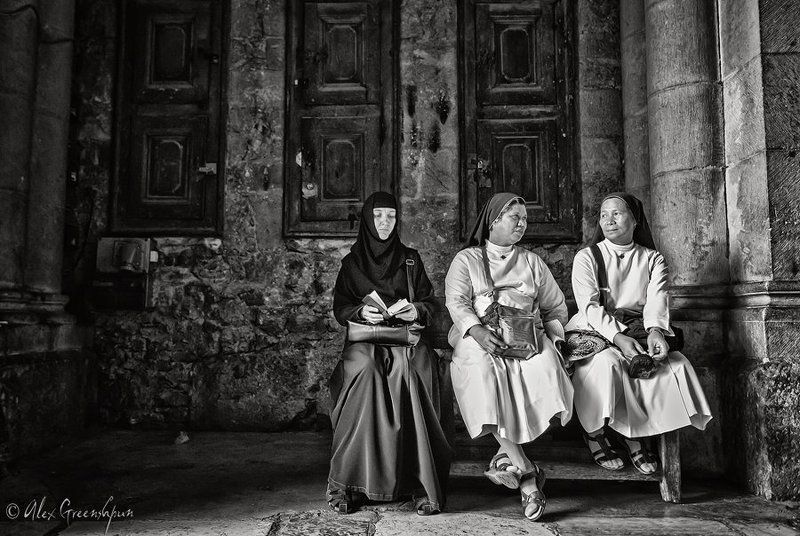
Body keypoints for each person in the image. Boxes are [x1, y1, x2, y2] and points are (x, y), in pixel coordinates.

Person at [444, 192, 573, 522]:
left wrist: (555, 340)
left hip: (525, 337)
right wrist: (478, 332)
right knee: (479, 372)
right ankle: (528, 474)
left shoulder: (532, 262)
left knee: (546, 366)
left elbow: (556, 307)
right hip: (478, 337)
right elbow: (457, 303)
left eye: (525, 219)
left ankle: (507, 458)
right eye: (515, 217)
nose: (522, 223)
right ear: (493, 220)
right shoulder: (467, 260)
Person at [565, 192, 712, 474]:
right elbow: (589, 306)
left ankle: (635, 434)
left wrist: (656, 330)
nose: (609, 220)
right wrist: (618, 337)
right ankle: (595, 433)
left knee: (675, 367)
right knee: (608, 364)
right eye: (604, 214)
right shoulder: (588, 257)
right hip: (595, 328)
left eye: (617, 214)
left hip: (639, 328)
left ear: (635, 220)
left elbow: (657, 300)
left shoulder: (653, 259)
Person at [328, 191, 451, 516]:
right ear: (368, 220)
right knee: (365, 370)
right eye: (378, 216)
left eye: (391, 216)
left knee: (411, 370)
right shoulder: (352, 263)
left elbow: (429, 302)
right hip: (367, 339)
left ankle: (419, 484)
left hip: (406, 338)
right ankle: (351, 484)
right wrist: (359, 312)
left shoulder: (410, 259)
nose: (385, 223)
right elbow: (340, 307)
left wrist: (415, 310)